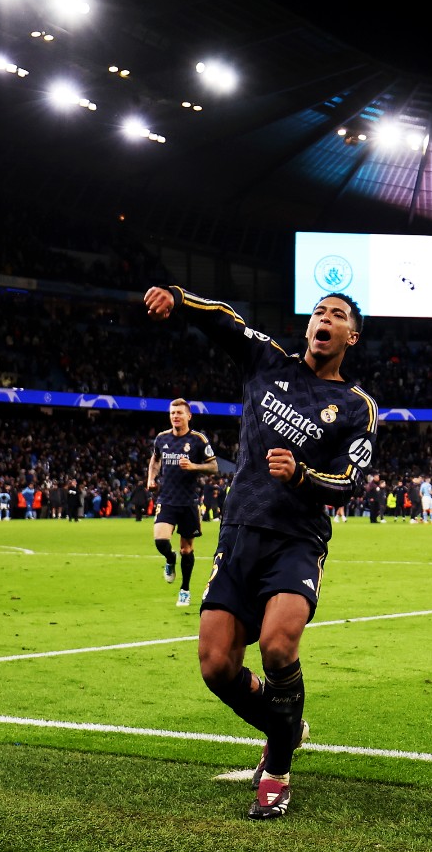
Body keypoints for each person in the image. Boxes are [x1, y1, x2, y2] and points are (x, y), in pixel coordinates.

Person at [143, 283, 377, 820]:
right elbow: (224, 318)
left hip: (297, 541)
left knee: (276, 645)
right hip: (239, 534)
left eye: (336, 315)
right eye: (319, 311)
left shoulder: (355, 406)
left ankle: (277, 763)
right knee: (215, 665)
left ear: (351, 336)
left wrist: (301, 475)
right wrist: (178, 298)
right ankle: (287, 725)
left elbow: (348, 483)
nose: (324, 318)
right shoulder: (267, 362)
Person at [148, 398, 219, 606]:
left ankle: (185, 589)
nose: (175, 416)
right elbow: (155, 459)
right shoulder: (161, 439)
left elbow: (214, 467)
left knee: (186, 549)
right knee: (160, 541)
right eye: (172, 413)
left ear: (188, 416)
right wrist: (151, 479)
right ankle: (170, 560)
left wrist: (194, 467)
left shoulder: (198, 440)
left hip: (188, 502)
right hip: (167, 499)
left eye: (179, 413)